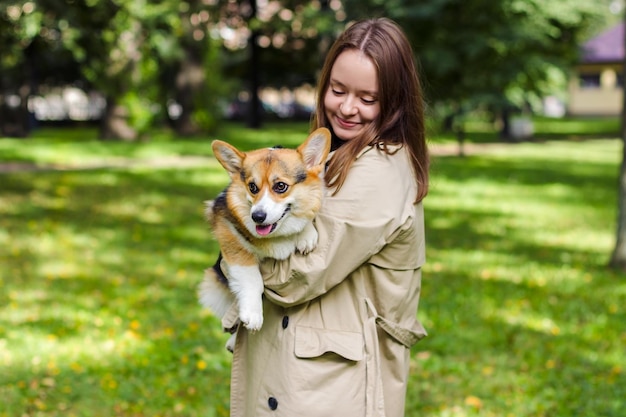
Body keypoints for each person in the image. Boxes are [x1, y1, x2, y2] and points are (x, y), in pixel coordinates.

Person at [220, 17, 429, 417]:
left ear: (396, 100)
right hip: (307, 371)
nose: (347, 108)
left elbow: (295, 277)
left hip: (330, 387)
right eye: (337, 90)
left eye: (368, 99)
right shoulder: (339, 153)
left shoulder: (380, 170)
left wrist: (235, 247)